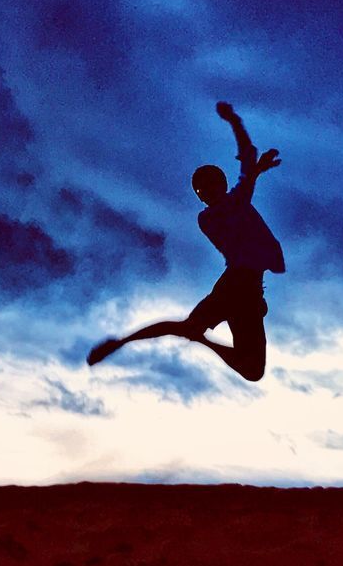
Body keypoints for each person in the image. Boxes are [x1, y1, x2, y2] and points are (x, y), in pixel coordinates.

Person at [86, 101, 285, 381]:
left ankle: (189, 340)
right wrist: (252, 166)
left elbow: (247, 158)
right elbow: (247, 163)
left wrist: (236, 126)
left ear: (222, 186)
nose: (208, 193)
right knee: (192, 330)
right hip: (237, 287)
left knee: (251, 370)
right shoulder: (212, 217)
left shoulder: (233, 202)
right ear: (202, 196)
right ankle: (121, 343)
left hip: (248, 292)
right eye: (203, 190)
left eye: (212, 186)